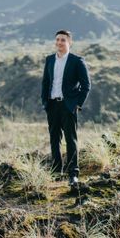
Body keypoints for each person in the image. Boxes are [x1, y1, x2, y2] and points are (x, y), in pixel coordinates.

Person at [40, 30, 90, 188]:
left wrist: (77, 104)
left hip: (68, 106)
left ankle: (73, 174)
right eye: (57, 40)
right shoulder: (49, 60)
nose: (59, 42)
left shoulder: (77, 61)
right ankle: (56, 172)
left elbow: (86, 85)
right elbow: (45, 83)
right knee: (54, 139)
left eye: (63, 40)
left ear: (69, 42)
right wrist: (45, 103)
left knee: (71, 140)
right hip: (52, 105)